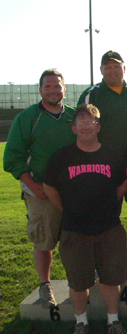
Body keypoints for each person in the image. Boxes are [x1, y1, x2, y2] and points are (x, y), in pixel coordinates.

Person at [43, 104, 127, 334]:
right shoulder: (61, 157)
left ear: (98, 127)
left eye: (90, 122)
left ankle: (113, 320)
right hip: (75, 229)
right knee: (79, 281)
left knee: (111, 279)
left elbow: (124, 182)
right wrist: (67, 208)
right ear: (73, 128)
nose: (85, 127)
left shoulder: (112, 155)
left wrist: (108, 202)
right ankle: (81, 324)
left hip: (109, 227)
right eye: (80, 123)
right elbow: (49, 187)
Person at [3, 69, 76, 309]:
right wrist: (33, 184)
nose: (53, 91)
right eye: (48, 87)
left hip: (73, 191)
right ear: (40, 89)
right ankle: (45, 285)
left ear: (64, 88)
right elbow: (13, 156)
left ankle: (79, 282)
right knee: (44, 240)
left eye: (58, 86)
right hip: (41, 191)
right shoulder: (28, 117)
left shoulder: (75, 117)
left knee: (76, 239)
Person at [78, 51, 127, 257]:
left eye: (116, 66)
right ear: (101, 70)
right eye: (108, 67)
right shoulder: (93, 94)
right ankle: (103, 254)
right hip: (103, 163)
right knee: (103, 210)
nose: (112, 70)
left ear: (124, 68)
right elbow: (80, 125)